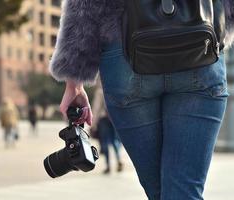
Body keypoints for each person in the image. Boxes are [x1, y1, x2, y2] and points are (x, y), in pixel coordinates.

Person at [49, 0, 234, 199]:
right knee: (183, 191)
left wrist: (74, 82)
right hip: (201, 45)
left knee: (160, 192)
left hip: (125, 57)